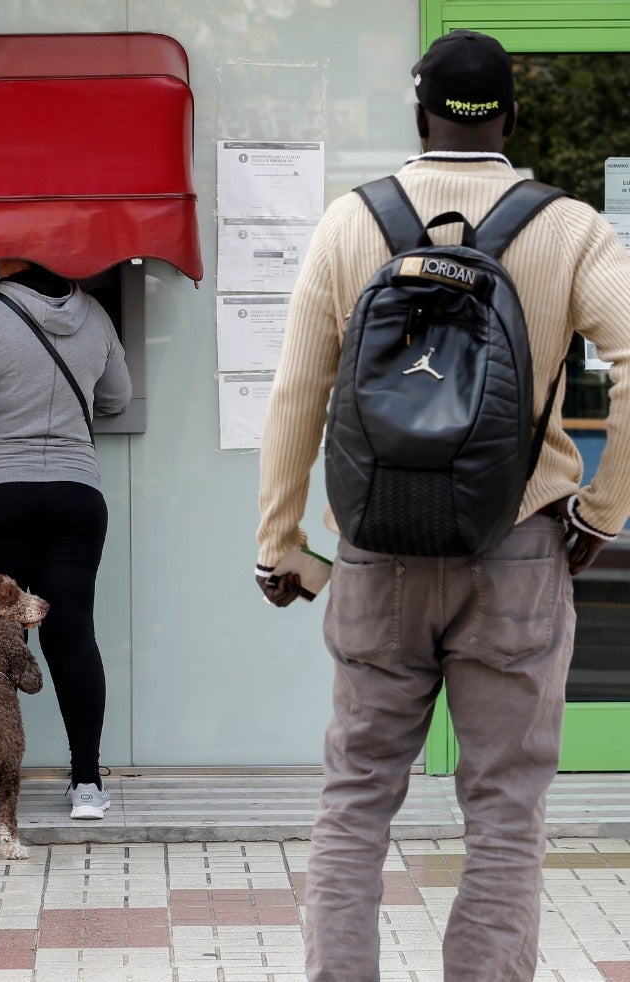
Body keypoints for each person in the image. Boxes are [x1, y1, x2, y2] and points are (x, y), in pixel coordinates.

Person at [255, 30, 630, 981]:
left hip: (376, 554)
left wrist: (280, 542)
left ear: (418, 112)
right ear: (512, 114)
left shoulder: (351, 224)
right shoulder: (570, 227)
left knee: (354, 803)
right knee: (505, 811)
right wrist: (601, 507)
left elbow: (298, 391)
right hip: (519, 550)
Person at [0, 259, 131, 822]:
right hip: (75, 492)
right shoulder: (97, 317)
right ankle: (87, 785)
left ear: (8, 259)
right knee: (73, 636)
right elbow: (118, 399)